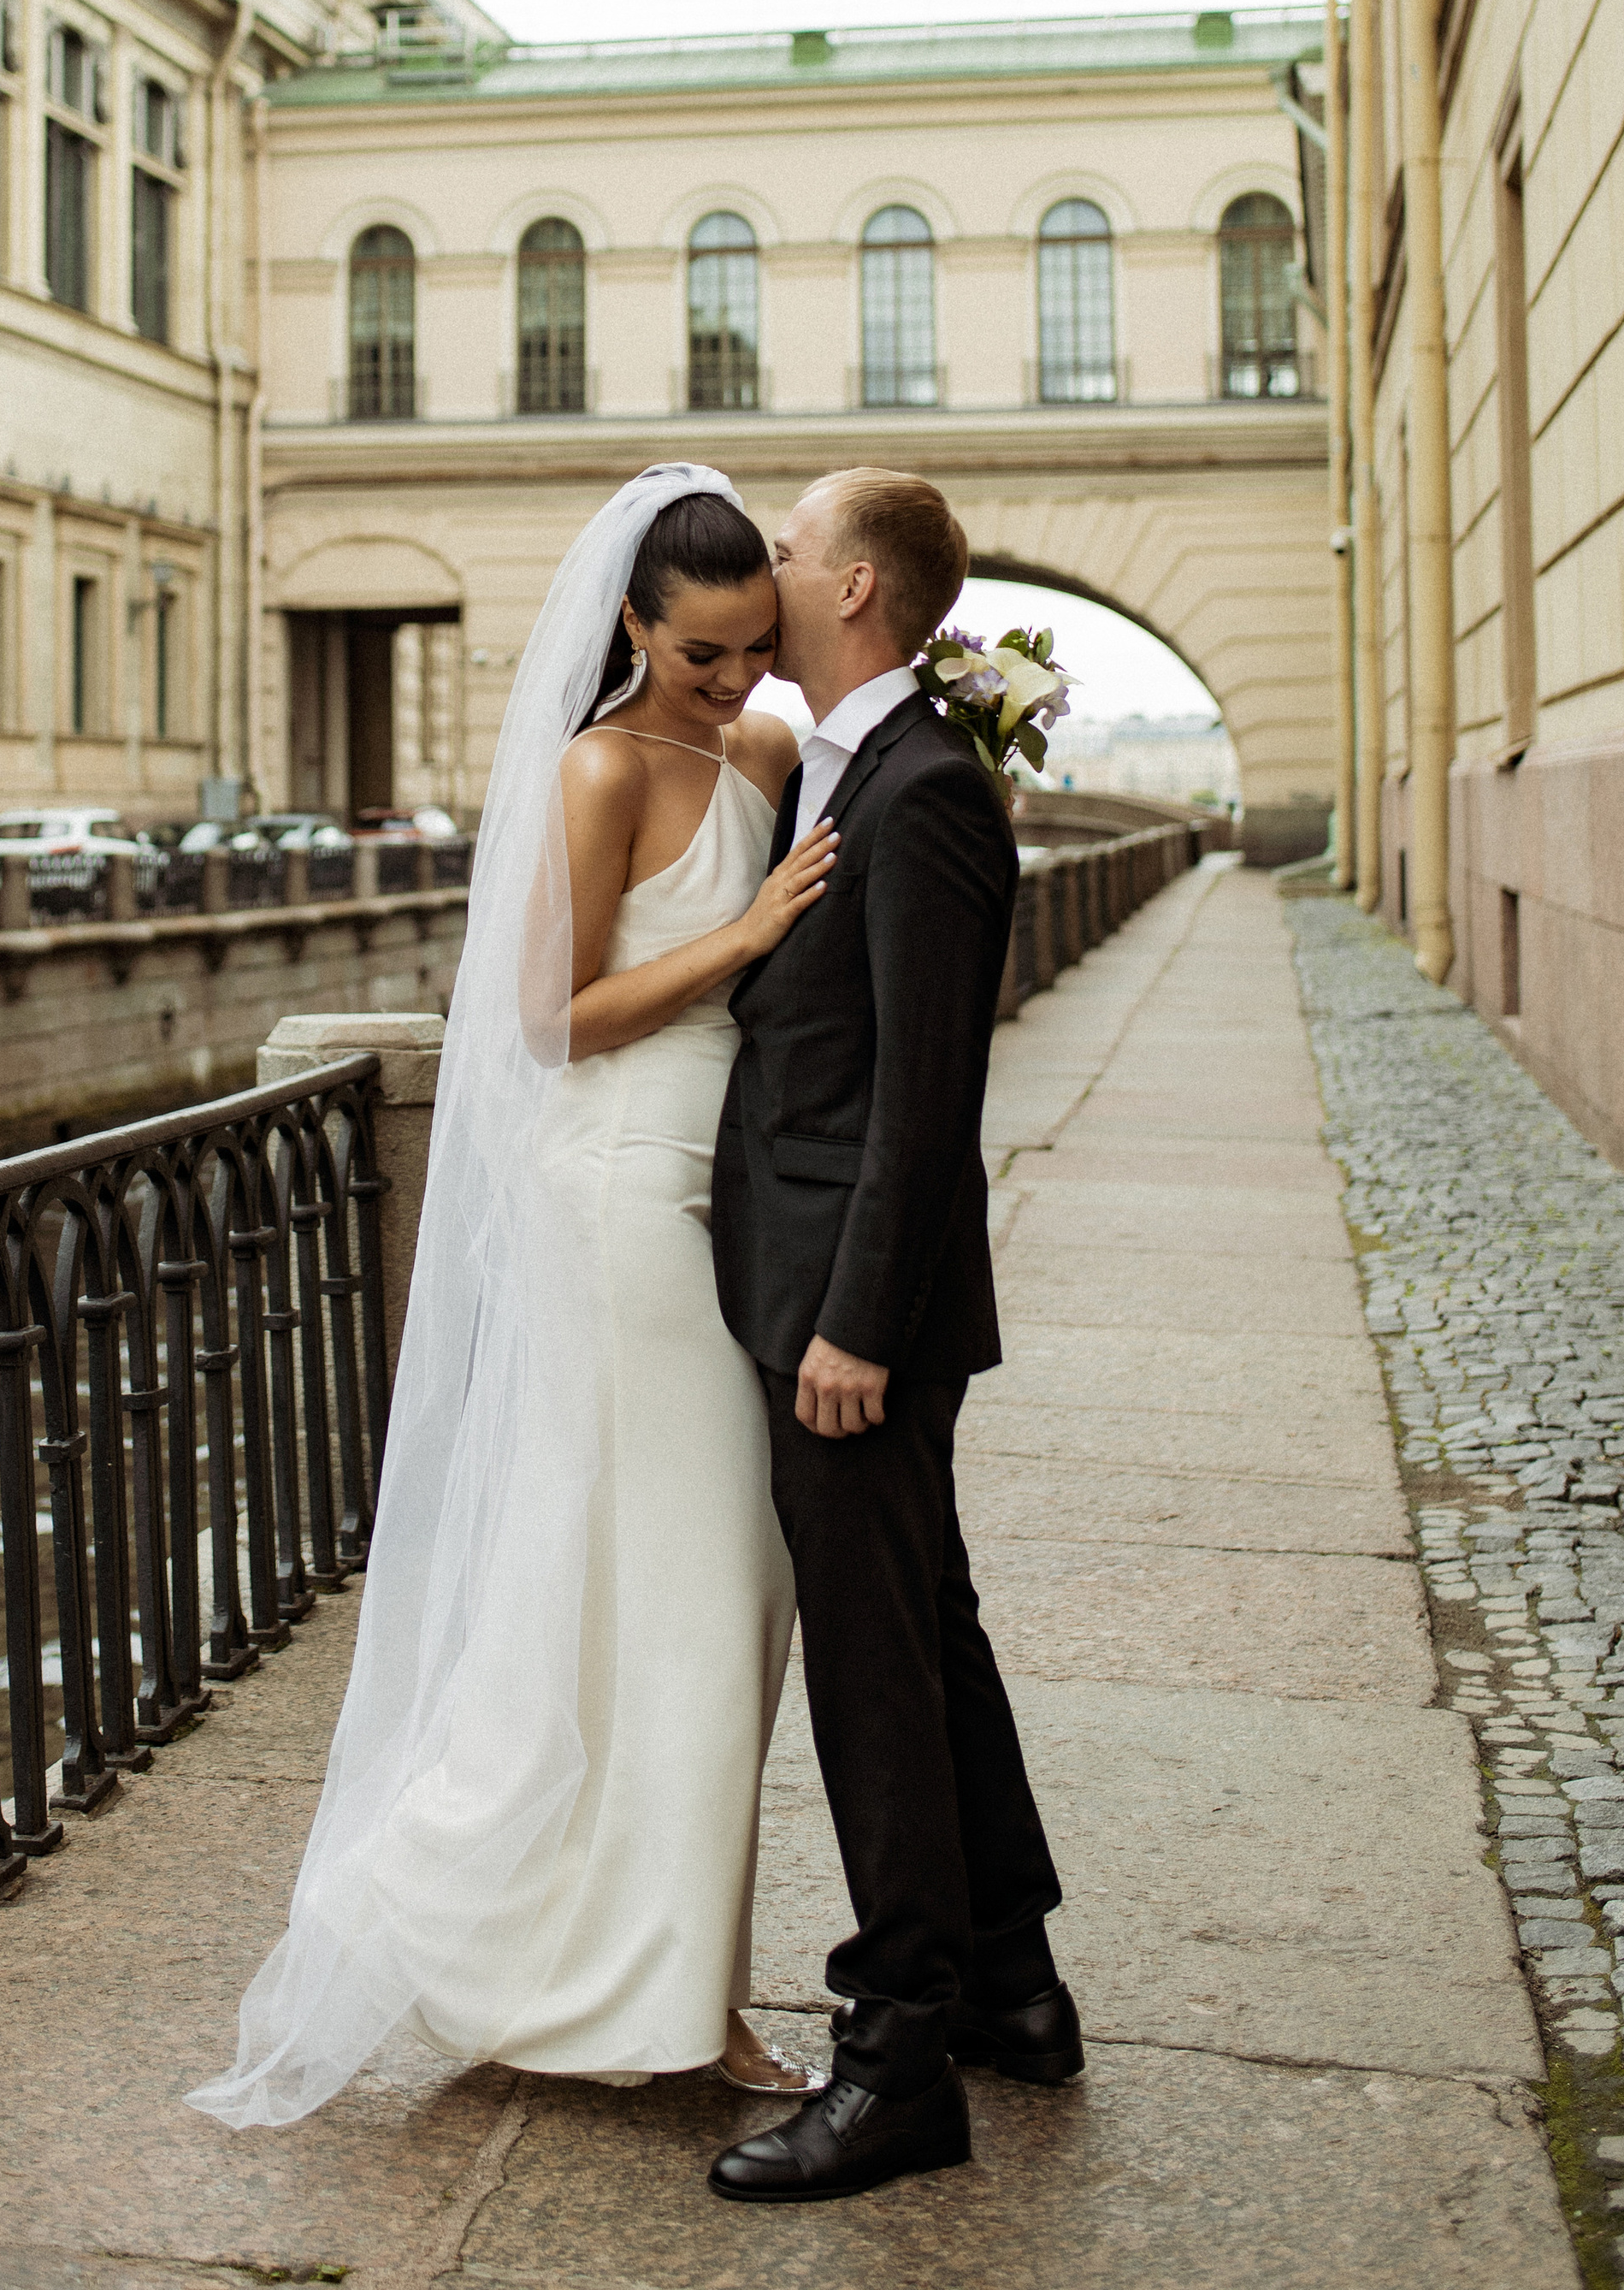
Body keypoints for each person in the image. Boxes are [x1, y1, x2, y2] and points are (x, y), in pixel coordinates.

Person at [190, 465, 842, 2125]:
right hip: (622, 1193)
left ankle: (590, 1954)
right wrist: (748, 930)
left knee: (702, 1599)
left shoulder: (764, 745)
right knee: (691, 1596)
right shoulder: (600, 766)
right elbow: (549, 1020)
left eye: (753, 649)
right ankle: (675, 2006)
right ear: (630, 624)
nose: (733, 682)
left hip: (730, 1200)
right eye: (701, 653)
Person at [705, 467, 1078, 2205]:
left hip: (848, 1313)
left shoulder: (921, 788)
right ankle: (1008, 1978)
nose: (763, 570)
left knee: (873, 1672)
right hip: (833, 1293)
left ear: (852, 585)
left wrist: (848, 1326)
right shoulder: (864, 763)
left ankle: (899, 2052)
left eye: (784, 549)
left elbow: (925, 1098)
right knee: (925, 1629)